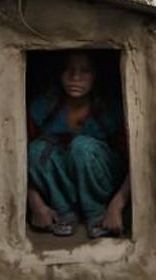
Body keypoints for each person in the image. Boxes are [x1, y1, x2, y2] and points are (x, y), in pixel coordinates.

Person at [26, 51, 129, 238]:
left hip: (103, 184)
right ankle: (63, 212)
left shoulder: (111, 110)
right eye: (68, 70)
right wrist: (35, 204)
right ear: (58, 73)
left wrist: (117, 205)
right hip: (60, 188)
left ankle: (96, 213)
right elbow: (16, 160)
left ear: (96, 76)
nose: (75, 77)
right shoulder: (43, 108)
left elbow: (136, 164)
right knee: (36, 150)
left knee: (82, 147)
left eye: (85, 71)